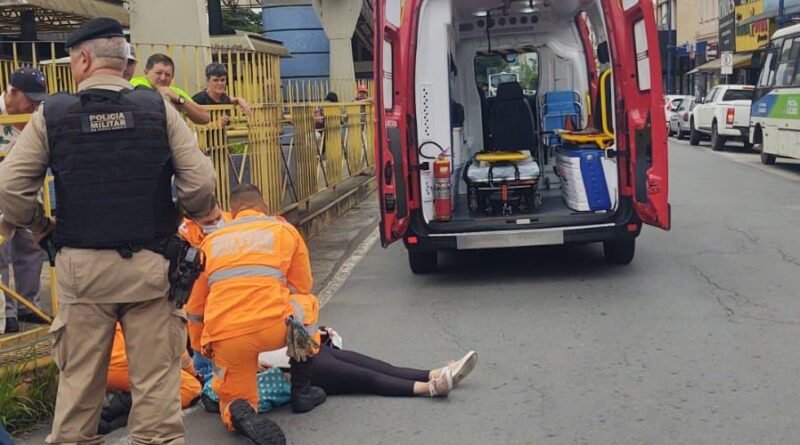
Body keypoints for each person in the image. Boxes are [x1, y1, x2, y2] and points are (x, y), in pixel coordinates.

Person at [0, 17, 217, 444]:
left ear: (83, 59)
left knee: (79, 395)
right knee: (156, 397)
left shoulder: (53, 114)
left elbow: (8, 189)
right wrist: (178, 213)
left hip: (81, 271)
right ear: (123, 63)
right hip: (152, 267)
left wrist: (42, 227)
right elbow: (202, 184)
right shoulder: (156, 107)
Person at [186, 184, 325, 445]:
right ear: (265, 207)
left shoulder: (210, 243)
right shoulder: (284, 231)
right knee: (306, 303)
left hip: (227, 337)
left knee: (235, 399)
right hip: (274, 327)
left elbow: (194, 308)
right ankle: (302, 390)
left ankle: (240, 413)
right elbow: (302, 285)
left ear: (233, 211)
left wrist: (200, 346)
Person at [0, 67, 47, 334]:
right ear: (12, 91)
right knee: (1, 253)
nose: (35, 103)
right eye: (30, 98)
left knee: (30, 248)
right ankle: (6, 313)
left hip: (29, 193)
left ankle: (29, 306)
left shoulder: (37, 115)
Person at [131, 53, 211, 125]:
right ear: (146, 72)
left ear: (172, 77)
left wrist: (179, 99)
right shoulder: (136, 83)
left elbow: (205, 118)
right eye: (158, 73)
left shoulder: (174, 92)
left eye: (167, 75)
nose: (163, 78)